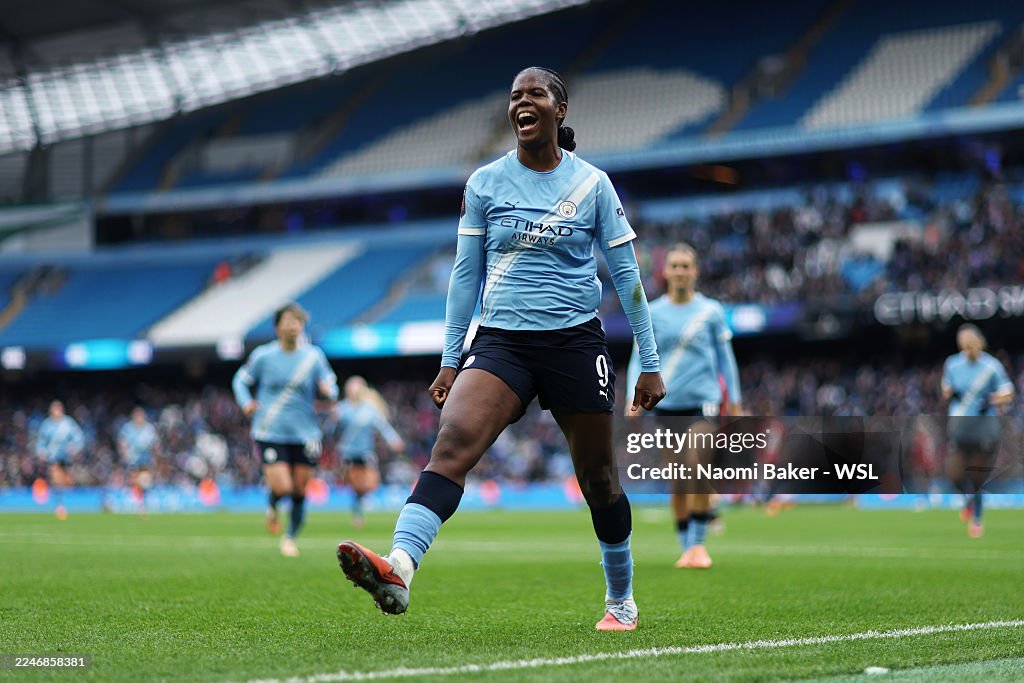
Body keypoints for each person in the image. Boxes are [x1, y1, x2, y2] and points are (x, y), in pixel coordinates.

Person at [337, 66, 665, 630]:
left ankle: (620, 599)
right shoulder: (485, 183)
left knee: (599, 481)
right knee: (452, 445)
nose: (521, 102)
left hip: (574, 341)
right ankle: (400, 569)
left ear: (560, 109)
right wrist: (450, 359)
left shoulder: (593, 185)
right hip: (501, 343)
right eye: (515, 96)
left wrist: (650, 362)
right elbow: (465, 275)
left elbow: (628, 276)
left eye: (535, 93)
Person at [626, 243, 742, 569]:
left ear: (695, 271)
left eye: (685, 266)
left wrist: (734, 400)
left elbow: (726, 360)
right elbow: (638, 358)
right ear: (665, 272)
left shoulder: (711, 312)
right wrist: (633, 399)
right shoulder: (652, 312)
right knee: (677, 480)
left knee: (697, 466)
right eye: (674, 266)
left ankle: (698, 545)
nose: (680, 271)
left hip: (703, 402)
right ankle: (686, 546)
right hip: (667, 405)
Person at [233, 303, 339, 557]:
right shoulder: (263, 356)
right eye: (288, 321)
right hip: (270, 430)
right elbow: (240, 380)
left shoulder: (313, 356)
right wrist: (246, 403)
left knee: (300, 490)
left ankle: (290, 537)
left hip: (306, 433)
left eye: (297, 321)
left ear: (302, 326)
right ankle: (273, 502)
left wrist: (329, 392)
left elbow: (332, 385)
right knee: (282, 487)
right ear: (277, 327)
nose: (293, 325)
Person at [940, 324, 1014, 538]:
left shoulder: (991, 366)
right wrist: (951, 393)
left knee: (977, 478)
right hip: (959, 427)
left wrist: (990, 400)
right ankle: (968, 501)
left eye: (970, 345)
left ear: (980, 343)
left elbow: (1008, 393)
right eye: (964, 346)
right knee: (954, 475)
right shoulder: (952, 364)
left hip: (984, 430)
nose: (968, 350)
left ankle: (977, 520)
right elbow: (946, 388)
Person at [335, 376, 405, 527]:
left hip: (366, 451)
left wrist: (394, 440)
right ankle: (358, 510)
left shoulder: (369, 410)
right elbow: (333, 430)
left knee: (370, 483)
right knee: (355, 484)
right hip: (348, 453)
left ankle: (361, 500)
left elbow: (383, 426)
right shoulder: (342, 409)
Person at [34, 400, 85, 520]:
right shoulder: (47, 425)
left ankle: (66, 503)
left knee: (68, 482)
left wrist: (75, 448)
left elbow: (79, 438)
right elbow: (40, 442)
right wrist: (42, 452)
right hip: (53, 458)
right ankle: (59, 506)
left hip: (67, 458)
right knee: (56, 479)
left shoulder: (68, 423)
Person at [117, 407, 159, 514]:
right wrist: (124, 454)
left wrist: (155, 457)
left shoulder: (149, 428)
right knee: (135, 481)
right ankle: (138, 503)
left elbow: (154, 444)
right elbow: (122, 441)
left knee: (145, 481)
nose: (139, 418)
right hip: (133, 459)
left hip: (146, 460)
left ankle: (143, 503)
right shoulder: (128, 428)